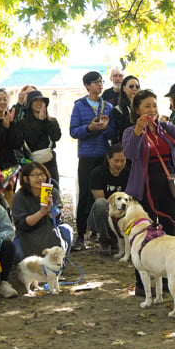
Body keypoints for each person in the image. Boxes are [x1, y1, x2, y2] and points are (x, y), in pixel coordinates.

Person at [122, 89, 175, 236]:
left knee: (171, 225)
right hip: (145, 186)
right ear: (137, 109)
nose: (152, 110)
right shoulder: (130, 131)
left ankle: (171, 256)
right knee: (147, 228)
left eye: (154, 105)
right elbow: (130, 153)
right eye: (147, 106)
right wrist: (138, 130)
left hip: (169, 185)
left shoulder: (166, 128)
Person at [69, 71, 116, 249]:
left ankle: (101, 233)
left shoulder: (108, 107)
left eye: (101, 81)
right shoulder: (79, 106)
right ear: (87, 86)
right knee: (85, 196)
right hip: (87, 156)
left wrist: (104, 128)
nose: (99, 85)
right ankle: (80, 235)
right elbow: (73, 131)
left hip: (103, 156)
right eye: (95, 82)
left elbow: (112, 133)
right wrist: (89, 128)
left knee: (102, 196)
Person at [12, 161, 72, 257]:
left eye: (42, 174)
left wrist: (51, 209)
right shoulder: (19, 196)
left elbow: (58, 220)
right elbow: (22, 224)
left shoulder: (52, 192)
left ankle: (60, 263)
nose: (40, 178)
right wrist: (41, 213)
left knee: (66, 230)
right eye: (35, 175)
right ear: (26, 179)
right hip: (27, 234)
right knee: (17, 253)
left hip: (49, 232)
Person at [88, 144, 131, 252]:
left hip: (123, 217)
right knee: (101, 204)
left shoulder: (129, 174)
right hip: (100, 217)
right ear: (108, 158)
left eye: (123, 160)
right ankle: (105, 241)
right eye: (116, 161)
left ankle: (121, 240)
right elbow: (101, 203)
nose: (119, 164)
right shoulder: (97, 173)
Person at [20, 89, 62, 189]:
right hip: (31, 163)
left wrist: (46, 121)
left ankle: (48, 205)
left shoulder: (51, 120)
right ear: (30, 103)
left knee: (49, 191)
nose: (39, 103)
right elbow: (31, 140)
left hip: (50, 162)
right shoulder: (23, 123)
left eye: (41, 101)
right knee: (32, 192)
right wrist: (39, 121)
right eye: (36, 101)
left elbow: (56, 137)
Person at [110, 74, 140, 140]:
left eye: (137, 87)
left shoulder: (143, 108)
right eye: (131, 86)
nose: (134, 89)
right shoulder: (118, 110)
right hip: (125, 144)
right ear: (123, 88)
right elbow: (122, 129)